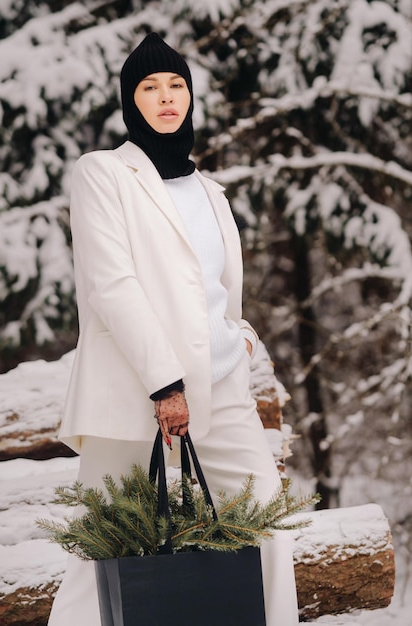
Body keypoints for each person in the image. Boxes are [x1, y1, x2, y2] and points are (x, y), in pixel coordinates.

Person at [48, 32, 299, 625]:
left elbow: (216, 287)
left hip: (223, 389)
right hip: (136, 389)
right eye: (150, 87)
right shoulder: (103, 173)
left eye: (177, 85)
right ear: (130, 101)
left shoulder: (210, 190)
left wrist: (239, 338)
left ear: (190, 96)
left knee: (268, 523)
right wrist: (165, 383)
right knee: (105, 553)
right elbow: (112, 284)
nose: (166, 98)